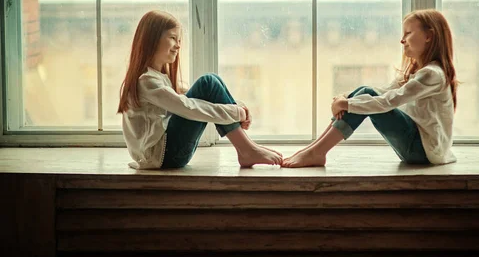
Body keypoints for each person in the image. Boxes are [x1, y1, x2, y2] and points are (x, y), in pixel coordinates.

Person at [282, 9, 458, 168]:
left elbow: (389, 101)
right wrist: (346, 99)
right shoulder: (418, 72)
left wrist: (348, 104)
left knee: (368, 95)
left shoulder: (432, 74)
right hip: (419, 150)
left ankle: (317, 152)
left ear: (429, 36)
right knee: (366, 90)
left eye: (408, 33)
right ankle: (315, 149)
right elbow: (383, 91)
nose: (402, 40)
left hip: (423, 151)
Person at [118, 10, 283, 169]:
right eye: (173, 38)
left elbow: (204, 99)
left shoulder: (157, 78)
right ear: (151, 40)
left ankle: (248, 148)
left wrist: (237, 106)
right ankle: (247, 150)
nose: (178, 46)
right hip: (163, 155)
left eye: (179, 40)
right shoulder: (147, 81)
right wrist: (236, 113)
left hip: (167, 154)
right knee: (208, 82)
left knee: (211, 82)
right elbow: (188, 107)